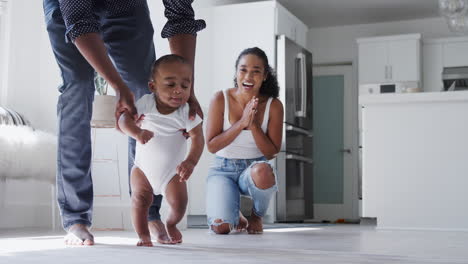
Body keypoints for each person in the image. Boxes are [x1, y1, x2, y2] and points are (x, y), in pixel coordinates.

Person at [43, 0, 205, 245]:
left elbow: (180, 15)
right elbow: (79, 22)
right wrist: (118, 86)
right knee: (76, 87)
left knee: (144, 87)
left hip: (126, 6)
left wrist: (186, 89)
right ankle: (76, 218)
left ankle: (148, 210)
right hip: (70, 9)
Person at [119, 54, 204, 246]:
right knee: (139, 200)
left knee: (180, 204)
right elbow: (124, 120)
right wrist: (137, 132)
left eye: (185, 86)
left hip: (172, 172)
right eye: (170, 85)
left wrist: (190, 161)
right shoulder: (146, 103)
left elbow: (198, 139)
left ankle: (171, 224)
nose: (178, 91)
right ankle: (143, 235)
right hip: (143, 169)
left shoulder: (186, 112)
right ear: (153, 87)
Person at [205, 47, 284, 234]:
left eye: (256, 71)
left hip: (254, 168)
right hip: (222, 170)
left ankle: (256, 215)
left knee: (263, 170)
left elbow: (271, 152)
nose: (248, 76)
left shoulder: (274, 105)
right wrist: (241, 123)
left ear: (264, 76)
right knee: (221, 228)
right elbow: (211, 145)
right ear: (236, 72)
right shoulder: (220, 98)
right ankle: (236, 214)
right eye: (243, 70)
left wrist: (254, 125)